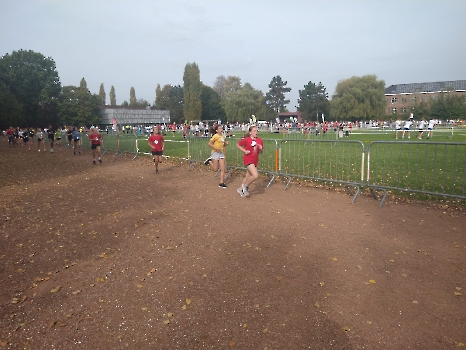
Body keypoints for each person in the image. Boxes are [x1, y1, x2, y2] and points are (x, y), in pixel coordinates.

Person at [236, 125, 264, 197]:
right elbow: (238, 145)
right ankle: (246, 186)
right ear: (250, 132)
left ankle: (240, 189)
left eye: (257, 130)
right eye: (254, 131)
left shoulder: (259, 140)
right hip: (248, 159)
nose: (256, 132)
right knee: (255, 175)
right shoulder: (247, 139)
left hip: (255, 160)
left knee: (248, 176)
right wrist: (244, 151)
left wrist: (260, 149)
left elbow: (261, 152)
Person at [204, 124, 228, 188]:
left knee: (222, 168)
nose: (221, 129)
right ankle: (209, 161)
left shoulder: (223, 136)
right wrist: (216, 148)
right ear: (217, 130)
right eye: (220, 128)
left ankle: (221, 183)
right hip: (215, 153)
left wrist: (225, 144)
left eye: (221, 128)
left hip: (221, 153)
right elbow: (209, 143)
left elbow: (223, 145)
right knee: (215, 169)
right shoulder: (215, 136)